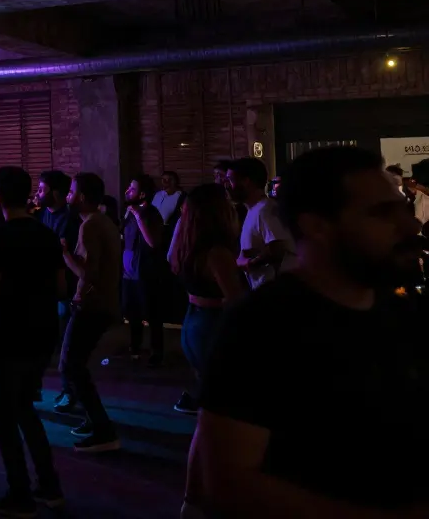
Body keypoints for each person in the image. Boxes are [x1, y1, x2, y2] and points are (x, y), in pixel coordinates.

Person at [192, 146, 429, 517]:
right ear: (317, 225)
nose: (411, 225)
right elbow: (228, 482)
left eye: (402, 208)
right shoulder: (262, 326)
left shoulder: (402, 312)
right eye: (384, 213)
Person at [0, 167, 65, 516]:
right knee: (25, 408)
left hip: (11, 334)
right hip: (43, 331)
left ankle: (20, 493)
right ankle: (49, 484)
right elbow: (62, 287)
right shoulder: (47, 235)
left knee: (4, 416)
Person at [169, 184, 244, 420]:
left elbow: (171, 261)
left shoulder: (187, 245)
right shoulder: (217, 252)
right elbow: (235, 298)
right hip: (212, 322)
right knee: (224, 400)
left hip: (193, 319)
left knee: (208, 391)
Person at [59, 173, 122, 452]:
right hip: (103, 304)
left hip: (92, 306)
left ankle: (102, 428)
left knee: (71, 365)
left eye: (71, 192)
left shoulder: (90, 227)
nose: (68, 196)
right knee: (77, 364)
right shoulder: (103, 221)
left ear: (82, 197)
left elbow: (88, 273)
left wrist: (64, 254)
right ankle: (92, 419)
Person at [36, 170, 81, 413]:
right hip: (47, 288)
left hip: (66, 289)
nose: (38, 193)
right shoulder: (44, 215)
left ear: (55, 192)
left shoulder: (72, 220)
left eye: (42, 189)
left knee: (67, 343)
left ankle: (71, 390)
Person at [227, 157, 297, 290]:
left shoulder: (265, 210)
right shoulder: (254, 209)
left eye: (230, 180)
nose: (226, 186)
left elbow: (278, 247)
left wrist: (248, 263)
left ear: (246, 181)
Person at [122, 174, 167, 365]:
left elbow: (153, 242)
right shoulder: (128, 212)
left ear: (142, 194)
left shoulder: (151, 213)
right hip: (128, 272)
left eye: (132, 188)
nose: (127, 191)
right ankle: (135, 347)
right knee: (132, 313)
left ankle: (157, 351)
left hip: (145, 272)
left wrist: (139, 217)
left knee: (152, 313)